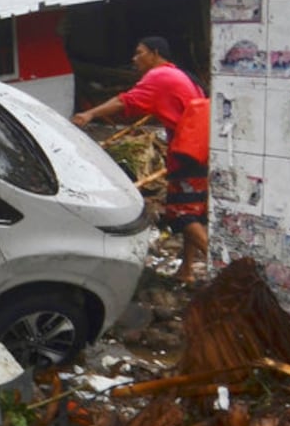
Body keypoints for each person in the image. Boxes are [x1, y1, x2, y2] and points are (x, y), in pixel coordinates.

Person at [73, 36, 210, 282]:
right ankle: (186, 270)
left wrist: (89, 114)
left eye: (139, 53)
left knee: (182, 215)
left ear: (155, 53)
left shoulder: (159, 77)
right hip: (201, 150)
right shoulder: (181, 75)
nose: (134, 59)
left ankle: (228, 265)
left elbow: (123, 101)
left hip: (188, 154)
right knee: (194, 212)